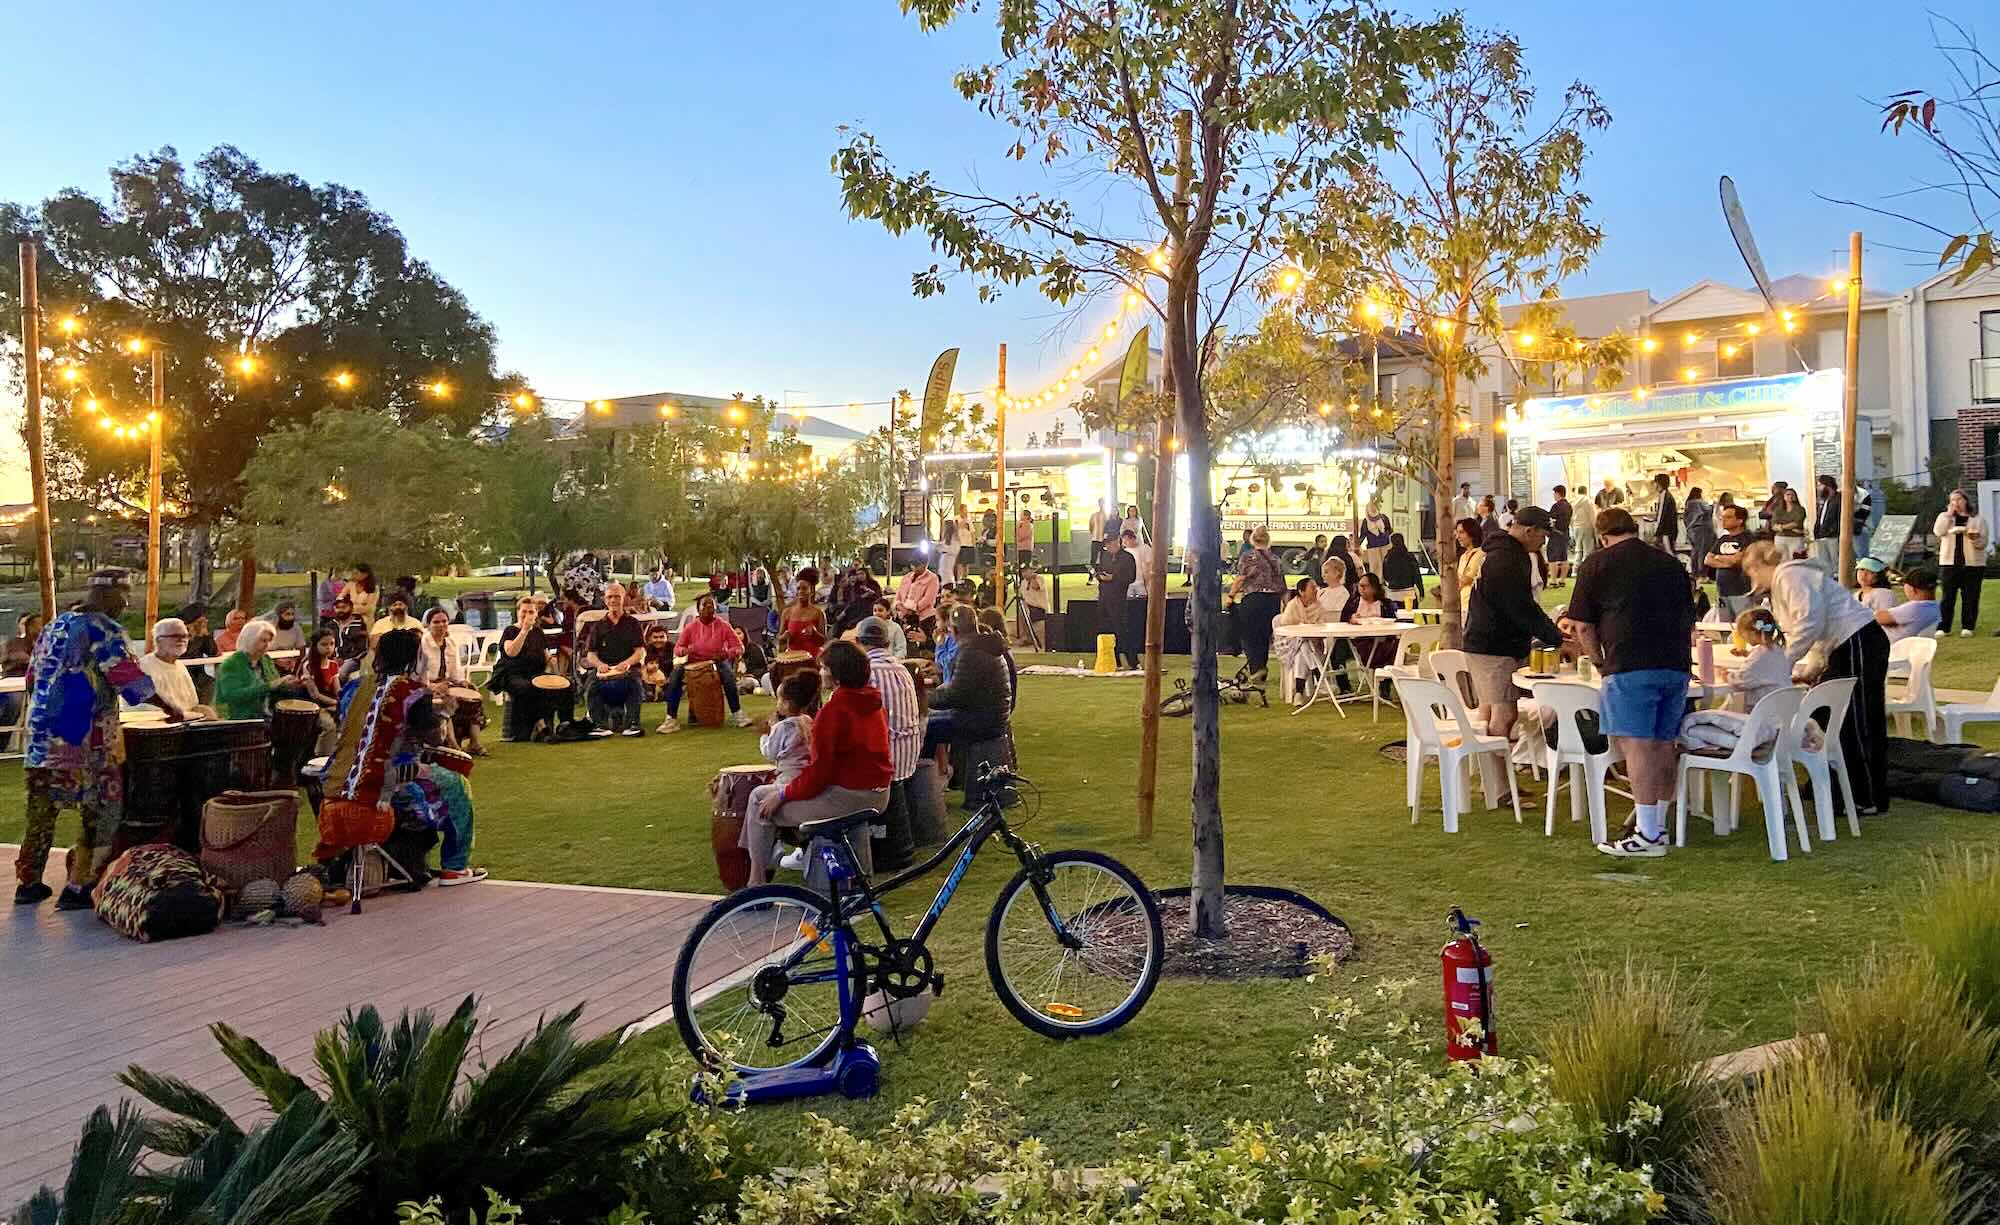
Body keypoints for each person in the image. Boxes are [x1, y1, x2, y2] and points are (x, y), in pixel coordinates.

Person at [17, 570, 185, 908]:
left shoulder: (55, 626)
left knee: (41, 809)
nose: (126, 604)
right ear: (114, 597)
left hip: (41, 740)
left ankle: (28, 883)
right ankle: (79, 887)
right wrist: (173, 708)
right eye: (124, 597)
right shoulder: (104, 629)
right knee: (101, 810)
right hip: (86, 741)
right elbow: (129, 680)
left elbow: (32, 678)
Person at [1565, 508, 1696, 859]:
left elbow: (1581, 625)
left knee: (1636, 747)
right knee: (1664, 744)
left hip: (1629, 662)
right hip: (1675, 663)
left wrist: (1598, 661)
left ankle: (1647, 833)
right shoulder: (1669, 563)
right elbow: (1690, 616)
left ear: (1601, 533)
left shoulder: (1597, 564)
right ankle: (1659, 824)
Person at [317, 628, 486, 888]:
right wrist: (446, 713)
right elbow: (433, 739)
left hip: (335, 778)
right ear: (414, 657)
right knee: (457, 785)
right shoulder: (414, 692)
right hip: (384, 783)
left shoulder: (355, 685)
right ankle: (455, 866)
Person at [1740, 539, 1890, 815]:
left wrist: (1783, 664)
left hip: (1857, 641)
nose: (1752, 578)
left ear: (1761, 565)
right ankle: (1837, 786)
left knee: (1855, 719)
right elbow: (1817, 629)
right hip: (1846, 644)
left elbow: (1810, 621)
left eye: (1751, 571)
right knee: (1828, 715)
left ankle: (1866, 796)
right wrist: (1811, 669)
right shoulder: (1789, 579)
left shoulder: (1789, 575)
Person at [744, 640, 892, 886]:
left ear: (836, 673)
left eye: (824, 668)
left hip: (850, 796)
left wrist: (783, 794)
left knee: (759, 798)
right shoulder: (872, 702)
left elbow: (819, 774)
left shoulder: (833, 712)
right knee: (765, 798)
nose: (821, 672)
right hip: (879, 793)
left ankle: (755, 883)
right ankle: (773, 864)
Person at [1461, 506, 1563, 744]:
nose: (1543, 542)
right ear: (1529, 530)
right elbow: (1521, 608)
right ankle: (1498, 780)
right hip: (1493, 647)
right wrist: (1555, 637)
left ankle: (1492, 776)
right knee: (1504, 715)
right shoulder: (1507, 559)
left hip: (1485, 642)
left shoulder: (1502, 552)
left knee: (1488, 712)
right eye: (1543, 536)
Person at [858, 616, 923, 857]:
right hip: (909, 755)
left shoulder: (866, 673)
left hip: (884, 763)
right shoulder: (902, 669)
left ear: (861, 643)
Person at [923, 609, 1011, 774]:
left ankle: (924, 788)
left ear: (955, 631)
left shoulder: (970, 653)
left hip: (979, 721)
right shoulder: (985, 646)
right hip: (990, 716)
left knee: (923, 727)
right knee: (929, 719)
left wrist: (922, 698)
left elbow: (954, 696)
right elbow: (962, 690)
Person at [758, 670, 822, 874]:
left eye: (779, 699)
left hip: (787, 779)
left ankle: (768, 852)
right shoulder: (808, 721)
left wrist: (764, 735)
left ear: (786, 703)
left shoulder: (782, 727)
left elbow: (770, 752)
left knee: (761, 803)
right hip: (805, 777)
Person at [659, 593, 753, 732]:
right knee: (674, 677)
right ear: (699, 609)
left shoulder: (724, 625)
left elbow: (740, 647)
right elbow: (678, 649)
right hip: (692, 663)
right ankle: (671, 719)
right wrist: (686, 650)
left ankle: (737, 714)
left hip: (717, 661)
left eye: (712, 605)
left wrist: (726, 654)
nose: (709, 608)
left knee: (728, 677)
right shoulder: (691, 627)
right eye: (705, 605)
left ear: (716, 608)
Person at [490, 594, 573, 742]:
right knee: (529, 688)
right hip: (512, 674)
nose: (527, 615)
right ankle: (542, 728)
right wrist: (524, 631)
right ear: (518, 612)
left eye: (531, 612)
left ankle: (566, 725)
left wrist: (558, 675)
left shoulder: (538, 632)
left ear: (536, 614)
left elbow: (547, 656)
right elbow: (511, 652)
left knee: (566, 686)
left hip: (536, 674)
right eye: (524, 611)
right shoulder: (511, 631)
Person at [578, 583, 646, 736]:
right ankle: (599, 725)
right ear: (605, 600)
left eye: (617, 596)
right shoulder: (598, 626)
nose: (613, 600)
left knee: (635, 682)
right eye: (610, 597)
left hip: (627, 670)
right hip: (605, 671)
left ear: (624, 599)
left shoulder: (633, 624)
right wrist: (600, 665)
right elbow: (590, 654)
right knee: (591, 684)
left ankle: (633, 724)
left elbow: (640, 652)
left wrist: (627, 663)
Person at [417, 606, 484, 754]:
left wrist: (462, 682)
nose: (441, 625)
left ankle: (474, 742)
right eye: (436, 622)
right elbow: (420, 675)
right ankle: (453, 743)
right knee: (447, 700)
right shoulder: (422, 645)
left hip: (447, 683)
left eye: (444, 621)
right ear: (428, 625)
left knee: (473, 695)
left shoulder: (450, 643)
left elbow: (455, 671)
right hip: (429, 686)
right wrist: (433, 686)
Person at [216, 620, 308, 721]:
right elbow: (233, 696)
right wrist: (270, 685)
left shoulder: (266, 660)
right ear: (249, 639)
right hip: (241, 718)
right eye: (263, 641)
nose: (267, 645)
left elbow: (275, 689)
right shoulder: (232, 663)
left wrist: (288, 685)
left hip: (267, 714)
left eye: (269, 641)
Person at [1230, 526, 1286, 683]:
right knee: (1264, 636)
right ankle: (1261, 667)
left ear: (1252, 540)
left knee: (1249, 635)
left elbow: (1241, 579)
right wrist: (1285, 604)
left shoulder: (1247, 557)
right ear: (1268, 541)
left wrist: (1230, 596)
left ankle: (1256, 668)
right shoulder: (1276, 559)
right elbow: (1282, 584)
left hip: (1253, 599)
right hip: (1272, 601)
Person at [135, 618, 214, 721]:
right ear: (159, 640)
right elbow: (144, 712)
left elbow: (192, 705)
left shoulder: (180, 666)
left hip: (185, 724)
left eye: (185, 636)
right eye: (175, 636)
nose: (182, 640)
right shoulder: (144, 667)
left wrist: (208, 713)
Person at [1932, 488, 1987, 637]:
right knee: (1947, 597)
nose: (1955, 503)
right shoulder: (1944, 516)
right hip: (1949, 563)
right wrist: (1949, 515)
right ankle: (1943, 627)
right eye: (1952, 500)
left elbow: (1983, 543)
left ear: (1966, 501)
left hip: (1973, 564)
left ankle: (1968, 627)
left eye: (1958, 499)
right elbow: (1938, 531)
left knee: (1971, 596)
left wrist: (1973, 537)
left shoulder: (1977, 519)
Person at [1274, 577, 1328, 705]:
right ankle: (1318, 677)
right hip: (1289, 646)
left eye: (1316, 587)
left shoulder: (1319, 607)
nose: (1316, 590)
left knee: (1302, 648)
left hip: (1314, 646)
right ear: (1302, 592)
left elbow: (1322, 629)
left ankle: (1299, 693)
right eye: (1312, 588)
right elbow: (1286, 627)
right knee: (1302, 641)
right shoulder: (1293, 606)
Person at [1094, 529, 1139, 670]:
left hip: (1118, 600)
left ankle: (1133, 661)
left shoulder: (1127, 558)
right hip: (1104, 598)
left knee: (1121, 631)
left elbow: (1131, 577)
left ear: (1117, 542)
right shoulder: (1104, 556)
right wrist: (1100, 576)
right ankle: (1113, 661)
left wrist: (1114, 578)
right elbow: (1098, 570)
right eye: (1106, 545)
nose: (1108, 547)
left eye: (1110, 544)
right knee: (1106, 631)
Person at [1705, 503, 1758, 622]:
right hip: (1722, 591)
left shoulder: (1748, 538)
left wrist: (1719, 557)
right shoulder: (1722, 539)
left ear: (1740, 520)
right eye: (1722, 517)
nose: (1723, 520)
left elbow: (1737, 560)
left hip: (1741, 591)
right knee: (1724, 625)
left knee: (1744, 624)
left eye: (1728, 517)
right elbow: (1708, 560)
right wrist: (1727, 561)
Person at [0, 612, 44, 745]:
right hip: (13, 684)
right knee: (14, 703)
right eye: (36, 626)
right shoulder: (14, 643)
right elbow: (13, 657)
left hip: (37, 686)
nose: (39, 629)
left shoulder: (47, 643)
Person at [299, 627, 343, 754]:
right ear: (315, 645)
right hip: (313, 706)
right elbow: (315, 695)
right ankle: (322, 756)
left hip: (331, 702)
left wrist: (343, 699)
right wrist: (335, 703)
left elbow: (337, 689)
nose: (329, 647)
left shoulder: (333, 665)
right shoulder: (308, 666)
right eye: (324, 644)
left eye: (332, 644)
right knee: (329, 726)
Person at [1873, 565, 1941, 643]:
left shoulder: (1916, 608)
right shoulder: (1936, 607)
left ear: (1912, 589)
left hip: (1894, 649)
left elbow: (1877, 618)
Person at [776, 566, 830, 661]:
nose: (800, 591)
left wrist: (814, 633)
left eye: (804, 588)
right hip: (793, 658)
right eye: (798, 588)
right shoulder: (787, 612)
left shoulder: (818, 613)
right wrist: (784, 636)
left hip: (813, 658)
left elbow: (823, 641)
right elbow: (780, 638)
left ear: (812, 591)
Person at [892, 557, 940, 639]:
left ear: (925, 564)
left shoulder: (932, 578)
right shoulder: (906, 577)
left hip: (922, 617)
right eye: (912, 565)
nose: (914, 567)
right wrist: (900, 607)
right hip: (902, 614)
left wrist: (913, 610)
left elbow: (928, 599)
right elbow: (898, 595)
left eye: (917, 565)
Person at [258, 598, 306, 673]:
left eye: (292, 614)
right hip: (268, 665)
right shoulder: (267, 628)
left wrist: (295, 665)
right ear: (279, 615)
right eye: (287, 614)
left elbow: (301, 650)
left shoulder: (296, 628)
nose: (290, 617)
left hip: (289, 666)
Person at [1381, 532, 1424, 606]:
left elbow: (1385, 576)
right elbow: (1417, 575)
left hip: (1392, 594)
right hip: (1409, 593)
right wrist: (1421, 591)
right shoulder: (1409, 557)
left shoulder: (1387, 557)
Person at [1812, 475, 1844, 572]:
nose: (1819, 487)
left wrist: (1833, 530)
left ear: (1827, 485)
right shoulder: (1826, 499)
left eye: (1820, 485)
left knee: (1836, 561)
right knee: (1824, 562)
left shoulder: (1839, 498)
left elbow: (1839, 517)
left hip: (1832, 535)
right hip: (1821, 535)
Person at [1682, 486, 1715, 582]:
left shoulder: (1688, 503)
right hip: (1702, 530)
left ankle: (1695, 572)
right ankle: (1702, 574)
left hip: (1692, 531)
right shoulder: (1698, 502)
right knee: (1702, 552)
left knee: (1695, 552)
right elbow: (1708, 509)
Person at [1770, 486, 1808, 560]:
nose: (1790, 496)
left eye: (1792, 495)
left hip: (1795, 538)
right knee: (1782, 560)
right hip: (1781, 538)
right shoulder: (1777, 510)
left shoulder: (1800, 509)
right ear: (1784, 497)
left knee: (1796, 560)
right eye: (1788, 494)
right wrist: (1787, 527)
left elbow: (1796, 523)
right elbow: (1773, 525)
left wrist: (1781, 527)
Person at [1547, 486, 1574, 587]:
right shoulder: (1569, 506)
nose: (1553, 495)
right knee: (1564, 557)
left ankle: (1553, 581)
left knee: (1552, 558)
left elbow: (1551, 520)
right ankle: (1562, 580)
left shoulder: (1556, 506)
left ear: (1558, 493)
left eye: (1554, 493)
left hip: (1555, 534)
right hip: (1565, 533)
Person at [1358, 502, 1393, 577]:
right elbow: (1362, 535)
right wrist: (1356, 546)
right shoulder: (1366, 521)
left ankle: (1387, 582)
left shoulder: (1383, 518)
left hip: (1385, 546)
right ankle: (1377, 584)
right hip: (1373, 548)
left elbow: (1390, 530)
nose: (1373, 508)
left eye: (1374, 506)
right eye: (1371, 507)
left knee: (1386, 566)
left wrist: (1386, 535)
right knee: (1375, 568)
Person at [1651, 473, 1679, 560]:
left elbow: (1662, 516)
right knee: (1667, 553)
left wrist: (1657, 533)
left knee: (1669, 554)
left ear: (1659, 483)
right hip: (1669, 530)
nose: (1654, 485)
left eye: (1655, 482)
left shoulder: (1664, 495)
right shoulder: (1666, 495)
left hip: (1666, 531)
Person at [1453, 517, 1486, 592]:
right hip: (1463, 602)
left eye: (1461, 532)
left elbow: (1467, 579)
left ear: (1471, 533)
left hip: (1473, 602)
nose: (1458, 537)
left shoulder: (1480, 554)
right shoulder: (1463, 556)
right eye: (1457, 533)